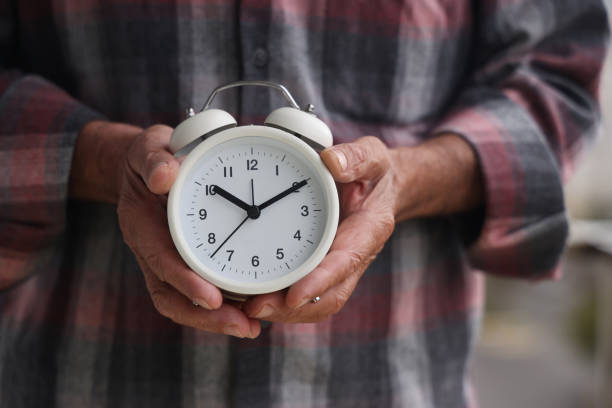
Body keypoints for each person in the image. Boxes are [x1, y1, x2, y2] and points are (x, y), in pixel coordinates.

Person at [0, 1, 608, 406]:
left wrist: (408, 178)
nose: (256, 212)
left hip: (393, 382)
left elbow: (556, 77)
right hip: (82, 377)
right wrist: (103, 159)